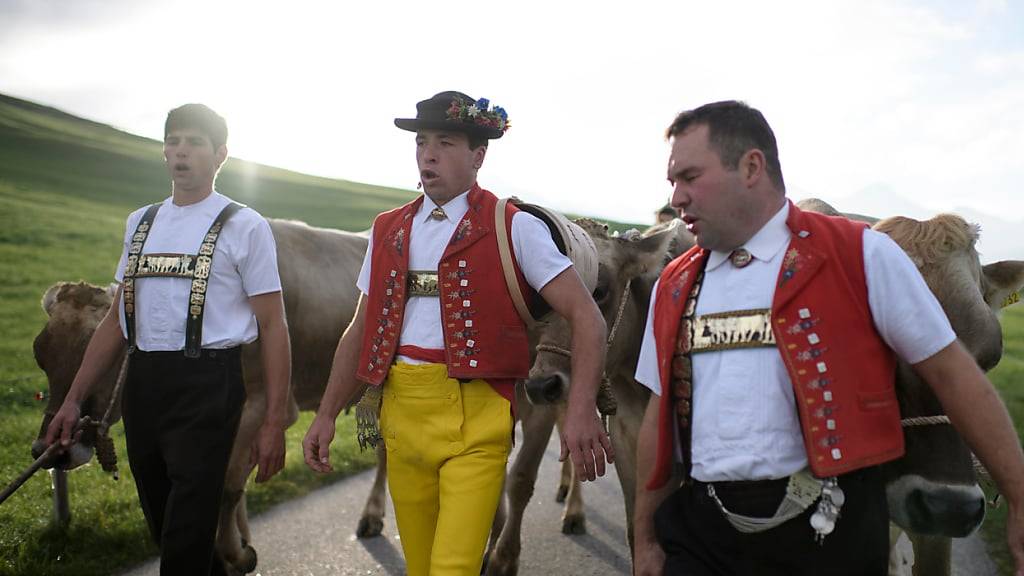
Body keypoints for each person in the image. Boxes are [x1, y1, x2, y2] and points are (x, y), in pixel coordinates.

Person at [631, 100, 1024, 576]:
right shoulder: (676, 284)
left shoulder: (863, 256)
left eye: (690, 177)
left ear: (751, 167)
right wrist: (647, 538)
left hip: (830, 535)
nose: (677, 198)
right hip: (703, 538)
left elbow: (956, 379)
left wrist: (1019, 497)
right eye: (672, 182)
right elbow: (660, 416)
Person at [302, 90, 613, 575]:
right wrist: (324, 414)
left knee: (452, 569)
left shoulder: (516, 228)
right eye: (422, 142)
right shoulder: (387, 229)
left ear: (478, 156)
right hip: (401, 419)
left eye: (444, 142)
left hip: (478, 417)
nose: (428, 153)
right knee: (422, 569)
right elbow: (360, 328)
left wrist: (580, 409)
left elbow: (587, 318)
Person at [44, 104, 291, 576]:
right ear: (163, 152)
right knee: (166, 528)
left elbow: (274, 326)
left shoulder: (245, 226)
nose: (181, 152)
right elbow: (117, 322)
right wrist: (72, 401)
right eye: (173, 141)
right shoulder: (141, 222)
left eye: (194, 142)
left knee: (182, 539)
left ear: (220, 155)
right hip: (144, 385)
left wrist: (273, 422)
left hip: (209, 386)